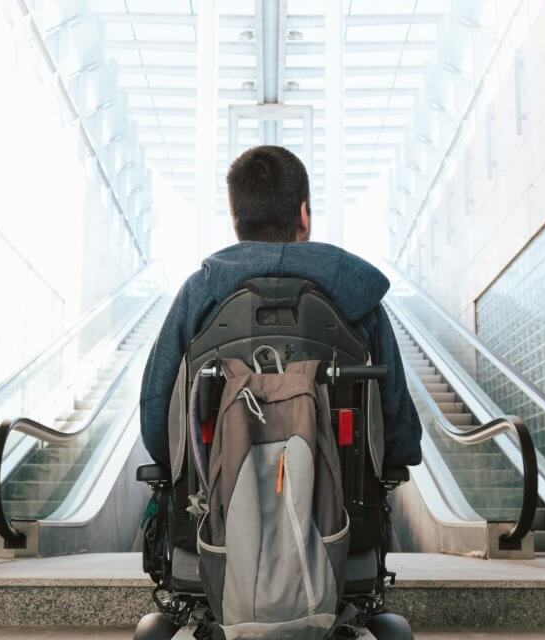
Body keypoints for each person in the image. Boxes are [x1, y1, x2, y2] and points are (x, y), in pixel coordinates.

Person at [139, 144, 422, 470]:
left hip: (215, 510)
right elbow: (401, 439)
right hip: (347, 511)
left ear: (235, 218)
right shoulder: (358, 298)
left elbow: (157, 428)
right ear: (303, 214)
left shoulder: (199, 294)